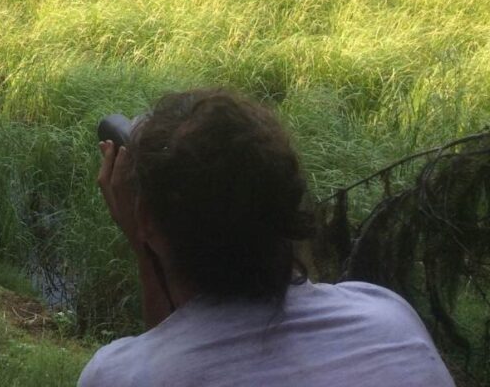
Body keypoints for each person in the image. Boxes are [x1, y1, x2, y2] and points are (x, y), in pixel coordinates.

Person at [81, 88, 454, 387]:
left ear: (145, 218)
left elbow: (171, 355)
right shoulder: (389, 319)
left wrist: (145, 245)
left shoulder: (118, 375)